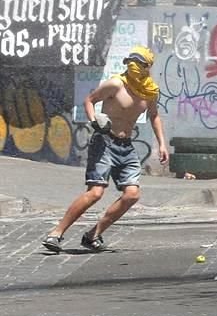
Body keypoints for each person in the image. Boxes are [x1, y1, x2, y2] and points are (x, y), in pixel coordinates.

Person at [41, 47, 169, 253]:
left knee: (132, 195)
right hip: (104, 142)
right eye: (131, 64)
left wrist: (162, 143)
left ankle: (93, 234)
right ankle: (56, 233)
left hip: (126, 147)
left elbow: (154, 115)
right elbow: (90, 100)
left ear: (148, 67)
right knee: (95, 193)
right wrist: (94, 120)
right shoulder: (116, 84)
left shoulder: (150, 91)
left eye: (139, 65)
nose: (134, 69)